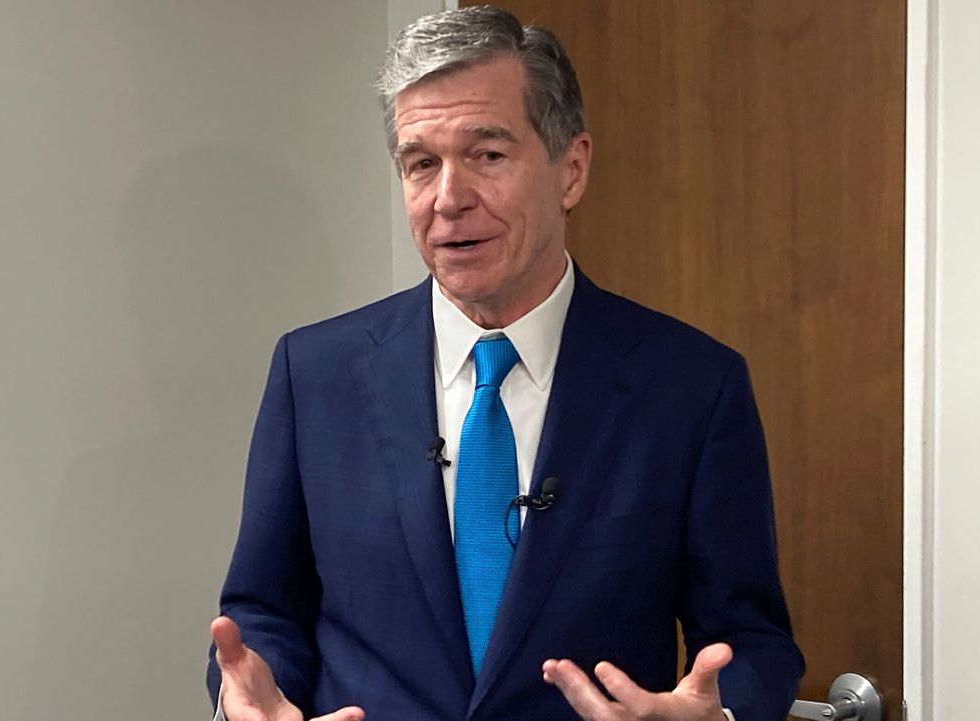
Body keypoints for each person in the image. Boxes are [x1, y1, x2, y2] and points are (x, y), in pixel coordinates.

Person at [206, 6, 803, 721]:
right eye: (421, 163)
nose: (449, 199)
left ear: (571, 169)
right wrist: (247, 701)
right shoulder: (316, 373)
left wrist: (722, 715)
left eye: (487, 155)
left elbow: (752, 640)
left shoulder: (692, 386)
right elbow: (264, 612)